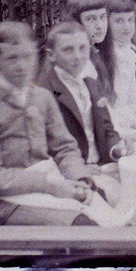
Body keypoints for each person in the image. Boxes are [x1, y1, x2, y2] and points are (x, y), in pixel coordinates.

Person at [0, 21, 123, 226]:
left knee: (119, 215)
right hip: (8, 200)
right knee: (84, 225)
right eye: (12, 58)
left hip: (53, 184)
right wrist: (50, 186)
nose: (22, 66)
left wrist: (79, 178)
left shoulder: (42, 98)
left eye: (28, 57)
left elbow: (65, 148)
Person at [38, 21, 125, 168]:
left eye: (83, 48)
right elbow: (45, 146)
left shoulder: (92, 84)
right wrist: (80, 169)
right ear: (51, 55)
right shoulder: (44, 91)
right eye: (68, 50)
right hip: (70, 172)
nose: (77, 56)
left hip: (102, 165)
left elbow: (106, 129)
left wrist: (116, 149)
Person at [99, 0, 136, 140]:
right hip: (111, 126)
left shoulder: (129, 53)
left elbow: (132, 98)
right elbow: (108, 106)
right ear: (107, 23)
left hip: (128, 121)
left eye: (130, 20)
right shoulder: (103, 56)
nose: (127, 27)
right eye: (119, 21)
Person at [66, 0, 109, 81]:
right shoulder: (74, 61)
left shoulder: (95, 53)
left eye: (102, 17)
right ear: (76, 22)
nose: (100, 26)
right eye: (90, 19)